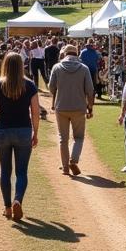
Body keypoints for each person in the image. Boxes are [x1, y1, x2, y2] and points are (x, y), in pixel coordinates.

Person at [0, 52, 40, 221]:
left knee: (5, 171)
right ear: (21, 65)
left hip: (2, 131)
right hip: (23, 130)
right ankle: (18, 199)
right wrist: (36, 132)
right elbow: (36, 112)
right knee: (22, 172)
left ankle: (8, 208)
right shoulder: (30, 85)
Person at [48, 43, 94, 176]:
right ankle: (73, 160)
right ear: (76, 54)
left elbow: (51, 87)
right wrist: (90, 108)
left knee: (63, 138)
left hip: (61, 107)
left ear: (65, 54)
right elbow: (90, 90)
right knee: (78, 137)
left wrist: (58, 94)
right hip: (79, 108)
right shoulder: (84, 68)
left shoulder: (57, 67)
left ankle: (65, 167)